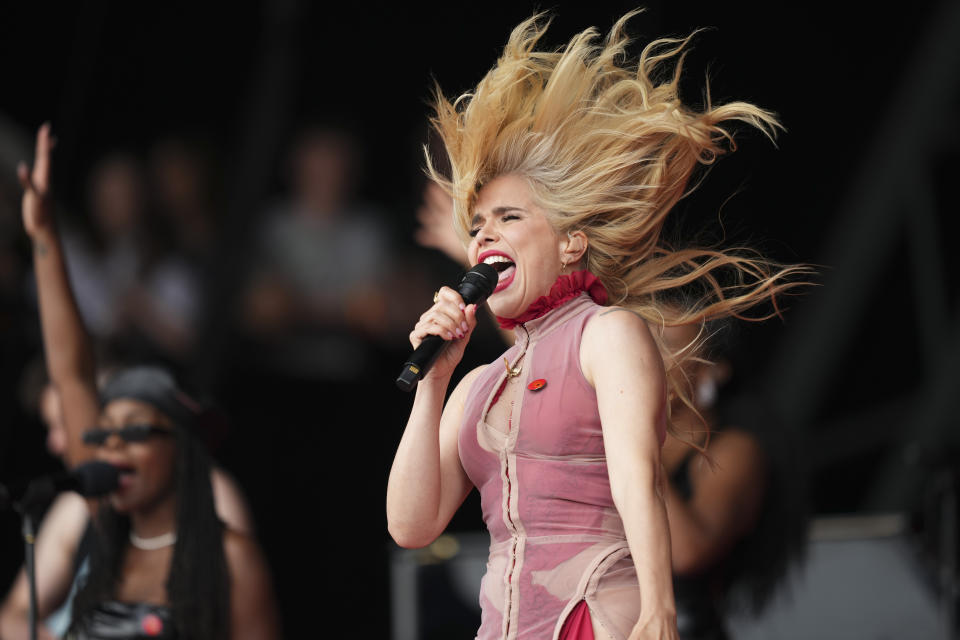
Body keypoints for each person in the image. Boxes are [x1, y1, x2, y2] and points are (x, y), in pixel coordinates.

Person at [387, 12, 808, 640]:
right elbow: (411, 526)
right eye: (476, 226)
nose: (484, 235)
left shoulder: (607, 333)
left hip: (593, 616)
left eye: (508, 218)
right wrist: (432, 386)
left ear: (570, 244)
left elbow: (637, 475)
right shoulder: (475, 382)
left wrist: (659, 610)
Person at [1, 124, 279, 640]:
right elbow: (73, 372)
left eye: (133, 432)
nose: (112, 447)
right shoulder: (104, 527)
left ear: (180, 449)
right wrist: (44, 239)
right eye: (105, 433)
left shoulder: (227, 557)